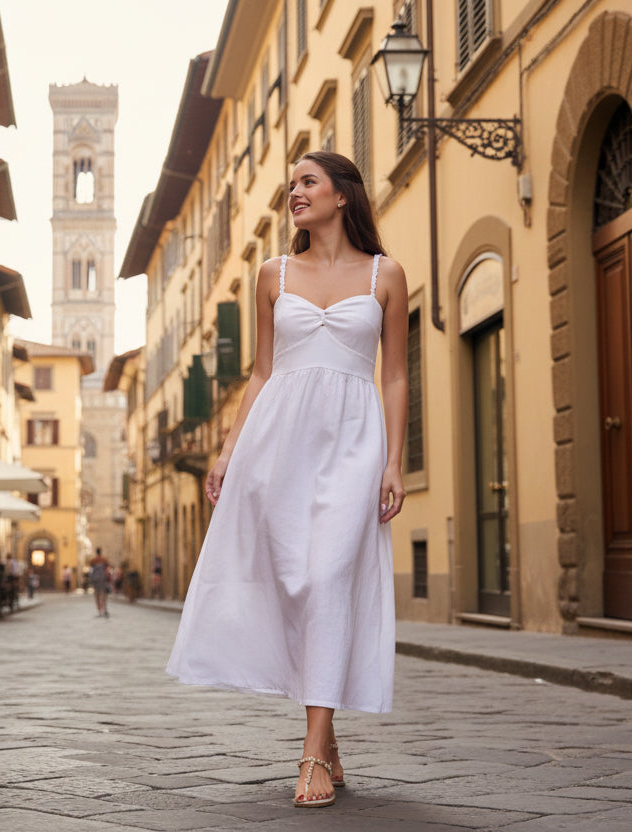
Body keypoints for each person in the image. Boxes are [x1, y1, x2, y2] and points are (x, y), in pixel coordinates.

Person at [166, 151, 408, 809]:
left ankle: (310, 754)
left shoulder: (386, 275)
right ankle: (324, 732)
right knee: (294, 585)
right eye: (291, 185)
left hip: (355, 443)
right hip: (278, 444)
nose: (294, 193)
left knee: (329, 576)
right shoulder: (271, 274)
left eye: (308, 182)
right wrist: (225, 451)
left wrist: (394, 460)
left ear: (343, 195)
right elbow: (262, 373)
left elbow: (394, 375)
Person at [88, 547, 110, 617]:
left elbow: (90, 571)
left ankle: (99, 610)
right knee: (103, 594)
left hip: (95, 580)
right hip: (102, 579)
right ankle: (104, 609)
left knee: (97, 595)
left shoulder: (93, 561)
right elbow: (107, 570)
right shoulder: (104, 560)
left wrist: (91, 579)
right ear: (101, 552)